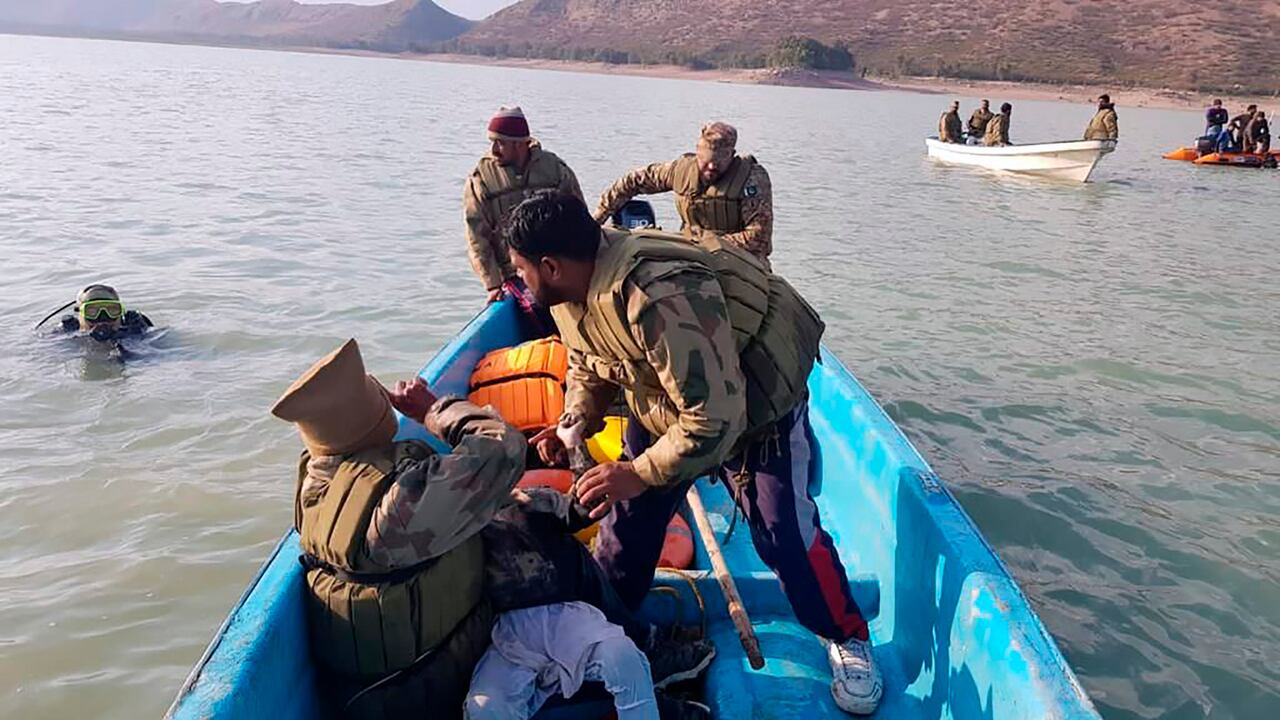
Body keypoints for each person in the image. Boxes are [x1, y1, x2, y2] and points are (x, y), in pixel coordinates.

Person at [504, 191, 883, 715]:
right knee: (625, 531)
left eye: (521, 270)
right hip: (664, 401)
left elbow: (716, 419)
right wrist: (574, 422)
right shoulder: (569, 291)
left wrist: (639, 472)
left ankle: (846, 634)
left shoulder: (657, 296)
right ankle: (607, 633)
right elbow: (588, 361)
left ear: (551, 266)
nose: (519, 282)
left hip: (750, 409)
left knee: (784, 535)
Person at [271, 338, 526, 720]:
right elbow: (506, 449)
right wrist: (433, 410)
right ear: (370, 416)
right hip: (434, 691)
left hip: (363, 698)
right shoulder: (402, 501)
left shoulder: (313, 486)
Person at [592, 122, 774, 267]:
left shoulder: (751, 179)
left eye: (720, 161)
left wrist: (704, 243)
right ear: (698, 152)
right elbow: (633, 181)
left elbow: (759, 238)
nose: (712, 167)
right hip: (691, 253)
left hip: (739, 259)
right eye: (707, 161)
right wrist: (596, 220)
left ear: (732, 155)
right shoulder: (681, 171)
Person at [464, 106, 583, 303]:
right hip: (513, 275)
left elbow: (578, 217)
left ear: (519, 144)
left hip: (556, 270)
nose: (494, 150)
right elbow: (476, 236)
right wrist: (492, 284)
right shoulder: (482, 179)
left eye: (500, 143)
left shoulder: (555, 170)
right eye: (492, 142)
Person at [55, 284, 153, 342]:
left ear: (121, 313)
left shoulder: (135, 332)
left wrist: (130, 336)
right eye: (92, 311)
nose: (102, 318)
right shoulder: (67, 334)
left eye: (112, 310)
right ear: (80, 314)